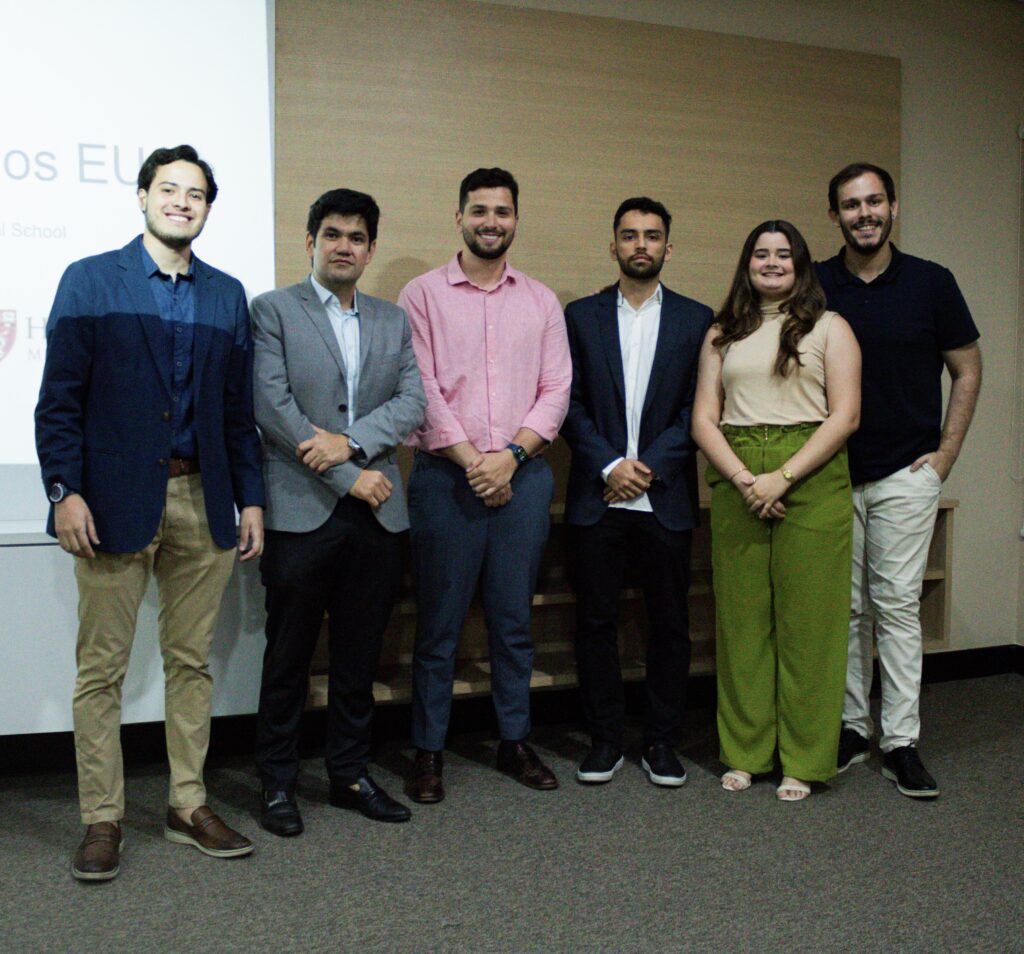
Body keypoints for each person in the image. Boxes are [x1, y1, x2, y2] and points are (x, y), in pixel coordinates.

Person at [35, 144, 266, 880]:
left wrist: (251, 496)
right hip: (107, 504)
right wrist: (62, 490)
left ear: (206, 207)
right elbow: (59, 401)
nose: (182, 202)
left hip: (206, 500)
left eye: (196, 194)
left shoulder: (227, 294)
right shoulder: (90, 280)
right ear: (141, 197)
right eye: (169, 189)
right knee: (100, 671)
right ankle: (101, 819)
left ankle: (185, 803)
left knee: (191, 662)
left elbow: (237, 411)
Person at [250, 189, 426, 833]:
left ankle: (350, 773)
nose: (344, 246)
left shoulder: (391, 319)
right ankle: (277, 783)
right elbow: (272, 410)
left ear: (370, 249)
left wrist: (350, 445)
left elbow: (413, 403)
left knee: (359, 657)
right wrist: (351, 476)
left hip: (377, 519)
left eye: (356, 237)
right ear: (310, 242)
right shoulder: (272, 311)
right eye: (332, 235)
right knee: (288, 656)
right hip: (302, 512)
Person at [398, 167, 571, 802]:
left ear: (516, 220)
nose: (490, 221)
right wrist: (479, 461)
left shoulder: (541, 301)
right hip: (446, 479)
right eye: (479, 211)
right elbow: (421, 390)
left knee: (512, 622)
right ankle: (429, 751)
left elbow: (556, 390)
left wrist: (510, 460)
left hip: (522, 481)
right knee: (438, 627)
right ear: (459, 218)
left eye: (502, 211)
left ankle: (515, 741)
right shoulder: (421, 295)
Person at [818, 163, 982, 798]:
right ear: (834, 215)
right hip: (832, 474)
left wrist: (945, 455)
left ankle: (902, 741)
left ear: (893, 207)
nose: (865, 213)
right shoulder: (817, 282)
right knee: (849, 608)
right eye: (851, 205)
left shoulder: (931, 283)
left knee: (894, 608)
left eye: (875, 201)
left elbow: (967, 370)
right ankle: (854, 729)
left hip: (905, 473)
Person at [691, 219, 860, 801]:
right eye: (760, 254)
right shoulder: (722, 331)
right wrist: (744, 480)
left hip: (809, 472)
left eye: (782, 254)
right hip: (738, 471)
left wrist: (782, 476)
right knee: (742, 624)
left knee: (810, 625)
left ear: (800, 263)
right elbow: (702, 418)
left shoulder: (831, 327)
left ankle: (805, 760)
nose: (770, 263)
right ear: (746, 263)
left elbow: (845, 416)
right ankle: (746, 752)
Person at [561, 197, 711, 787]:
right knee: (594, 623)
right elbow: (564, 403)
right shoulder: (579, 316)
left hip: (664, 495)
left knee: (670, 625)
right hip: (597, 498)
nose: (640, 245)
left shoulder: (699, 320)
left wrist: (646, 467)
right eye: (629, 235)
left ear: (668, 247)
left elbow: (699, 408)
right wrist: (608, 465)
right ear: (614, 245)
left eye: (652, 236)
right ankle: (603, 740)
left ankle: (661, 742)